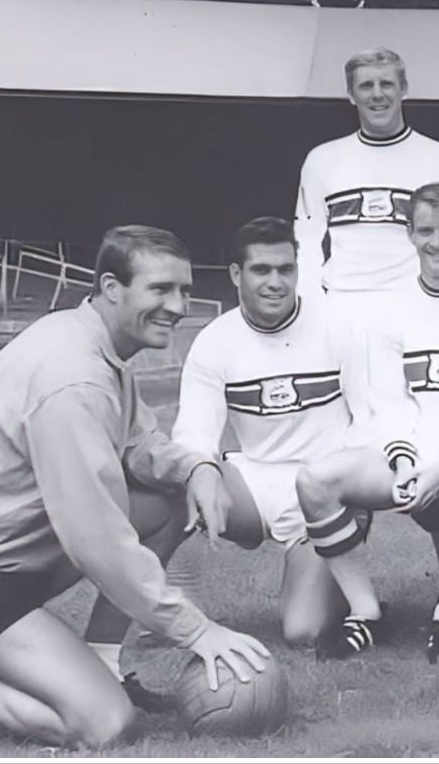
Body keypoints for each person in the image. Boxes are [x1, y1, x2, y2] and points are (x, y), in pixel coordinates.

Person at [0, 226, 269, 748]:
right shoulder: (72, 378)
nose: (178, 306)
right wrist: (197, 630)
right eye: (160, 289)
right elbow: (97, 539)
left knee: (167, 499)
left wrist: (196, 469)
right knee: (103, 725)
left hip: (7, 554)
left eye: (184, 290)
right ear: (111, 287)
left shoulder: (94, 340)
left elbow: (137, 444)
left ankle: (103, 664)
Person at [293, 182, 439, 663]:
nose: (436, 242)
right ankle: (366, 611)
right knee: (315, 481)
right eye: (426, 231)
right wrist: (404, 461)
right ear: (410, 234)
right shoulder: (389, 308)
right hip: (414, 452)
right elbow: (389, 402)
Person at [170, 217, 354, 646]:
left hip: (323, 491)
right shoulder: (215, 340)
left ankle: (338, 581)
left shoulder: (338, 325)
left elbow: (371, 420)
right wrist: (202, 471)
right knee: (169, 475)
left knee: (303, 631)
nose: (275, 282)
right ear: (236, 274)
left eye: (285, 270)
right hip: (254, 482)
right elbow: (193, 431)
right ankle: (170, 606)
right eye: (261, 270)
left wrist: (351, 489)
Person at [294, 47, 439, 420]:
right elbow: (306, 242)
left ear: (403, 88)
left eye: (387, 84)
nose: (377, 94)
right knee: (354, 416)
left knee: (421, 413)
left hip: (415, 302)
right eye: (366, 86)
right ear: (351, 94)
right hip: (345, 306)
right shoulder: (323, 160)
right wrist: (313, 311)